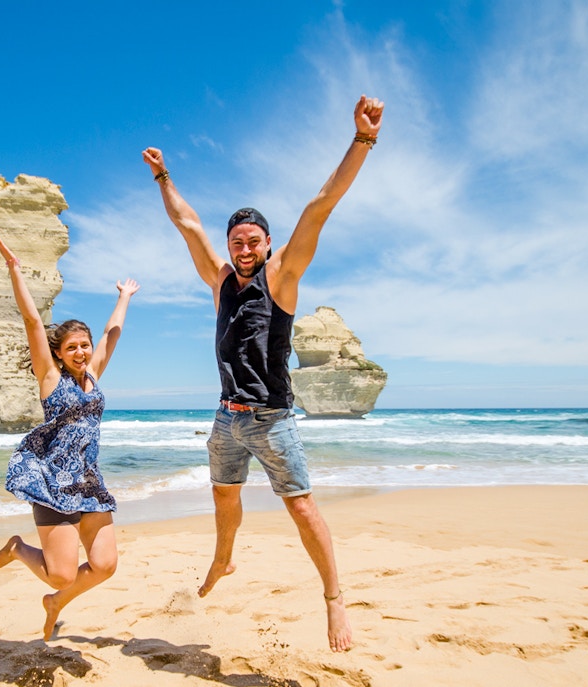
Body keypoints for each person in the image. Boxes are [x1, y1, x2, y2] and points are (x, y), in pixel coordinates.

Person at [141, 95, 383, 652]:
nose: (244, 248)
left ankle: (334, 598)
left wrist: (362, 140)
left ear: (268, 244)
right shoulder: (221, 282)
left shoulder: (283, 279)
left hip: (274, 421)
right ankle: (223, 561)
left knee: (300, 506)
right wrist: (163, 176)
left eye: (254, 240)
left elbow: (322, 204)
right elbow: (187, 223)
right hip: (227, 418)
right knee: (224, 497)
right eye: (237, 241)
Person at [0, 227, 140, 641]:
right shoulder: (51, 377)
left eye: (84, 345)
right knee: (61, 574)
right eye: (72, 346)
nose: (81, 352)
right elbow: (32, 320)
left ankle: (56, 605)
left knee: (106, 565)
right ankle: (20, 549)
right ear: (59, 351)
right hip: (53, 485)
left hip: (88, 485)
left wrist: (124, 297)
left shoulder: (93, 373)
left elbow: (112, 334)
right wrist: (14, 268)